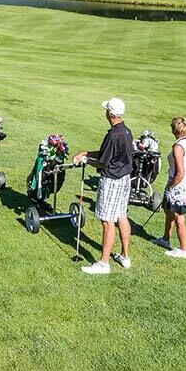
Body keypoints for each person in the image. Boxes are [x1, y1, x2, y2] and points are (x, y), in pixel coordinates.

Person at [72, 98, 135, 275]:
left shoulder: (113, 135)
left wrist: (85, 160)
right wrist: (86, 152)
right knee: (121, 216)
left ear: (110, 114)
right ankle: (124, 256)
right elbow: (107, 154)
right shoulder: (126, 131)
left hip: (112, 180)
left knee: (108, 221)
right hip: (124, 179)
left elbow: (102, 163)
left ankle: (103, 263)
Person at [153, 117, 186, 259]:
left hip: (177, 184)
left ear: (174, 130)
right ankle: (165, 239)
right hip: (185, 183)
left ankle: (183, 250)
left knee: (179, 217)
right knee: (168, 210)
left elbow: (180, 173)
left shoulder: (178, 147)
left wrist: (171, 185)